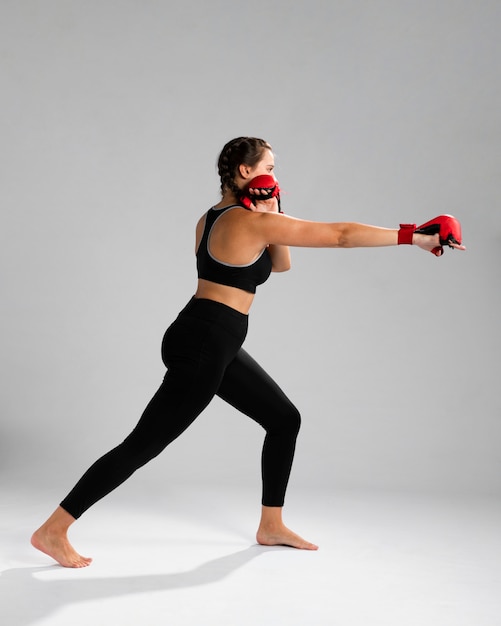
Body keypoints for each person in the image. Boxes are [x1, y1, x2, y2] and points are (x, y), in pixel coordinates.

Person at [31, 136, 465, 568]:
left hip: (208, 336)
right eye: (270, 168)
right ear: (246, 172)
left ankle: (271, 525)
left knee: (283, 419)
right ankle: (54, 529)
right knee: (143, 445)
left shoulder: (211, 219)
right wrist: (415, 235)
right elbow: (341, 236)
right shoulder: (245, 222)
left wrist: (273, 213)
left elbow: (281, 264)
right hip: (206, 340)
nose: (276, 176)